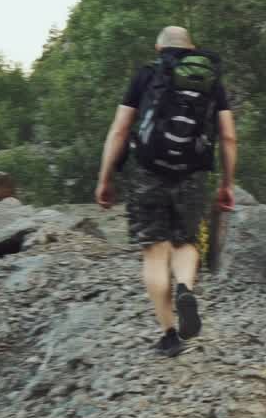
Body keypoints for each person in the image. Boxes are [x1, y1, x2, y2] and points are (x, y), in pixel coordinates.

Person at [95, 26, 238, 357]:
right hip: (194, 173)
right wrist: (227, 183)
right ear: (192, 47)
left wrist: (105, 179)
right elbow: (229, 137)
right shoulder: (210, 80)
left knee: (155, 252)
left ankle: (170, 333)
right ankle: (185, 287)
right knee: (186, 243)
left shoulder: (147, 75)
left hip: (148, 171)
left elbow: (119, 130)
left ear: (158, 46)